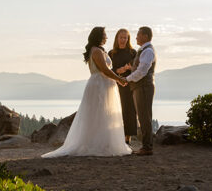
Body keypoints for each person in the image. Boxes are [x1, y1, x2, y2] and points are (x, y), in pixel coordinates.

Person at [43, 27, 133, 158]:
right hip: (99, 84)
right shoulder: (96, 51)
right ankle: (94, 144)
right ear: (99, 37)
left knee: (103, 114)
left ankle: (105, 142)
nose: (106, 38)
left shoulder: (99, 50)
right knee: (97, 113)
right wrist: (119, 79)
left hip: (104, 83)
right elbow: (104, 70)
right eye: (104, 35)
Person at [126, 26, 156, 156]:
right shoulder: (143, 50)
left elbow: (142, 72)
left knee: (145, 117)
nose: (136, 37)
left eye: (138, 35)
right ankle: (146, 146)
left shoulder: (148, 51)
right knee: (143, 116)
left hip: (144, 87)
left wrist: (126, 79)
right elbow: (137, 68)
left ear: (145, 36)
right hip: (140, 87)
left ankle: (147, 147)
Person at [109, 28, 138, 143]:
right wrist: (118, 71)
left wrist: (129, 68)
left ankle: (127, 137)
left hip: (128, 85)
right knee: (115, 109)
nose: (123, 40)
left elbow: (137, 68)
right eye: (121, 37)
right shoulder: (111, 53)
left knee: (129, 110)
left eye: (125, 37)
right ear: (117, 38)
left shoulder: (132, 52)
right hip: (115, 85)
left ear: (128, 39)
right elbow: (108, 70)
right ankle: (115, 135)